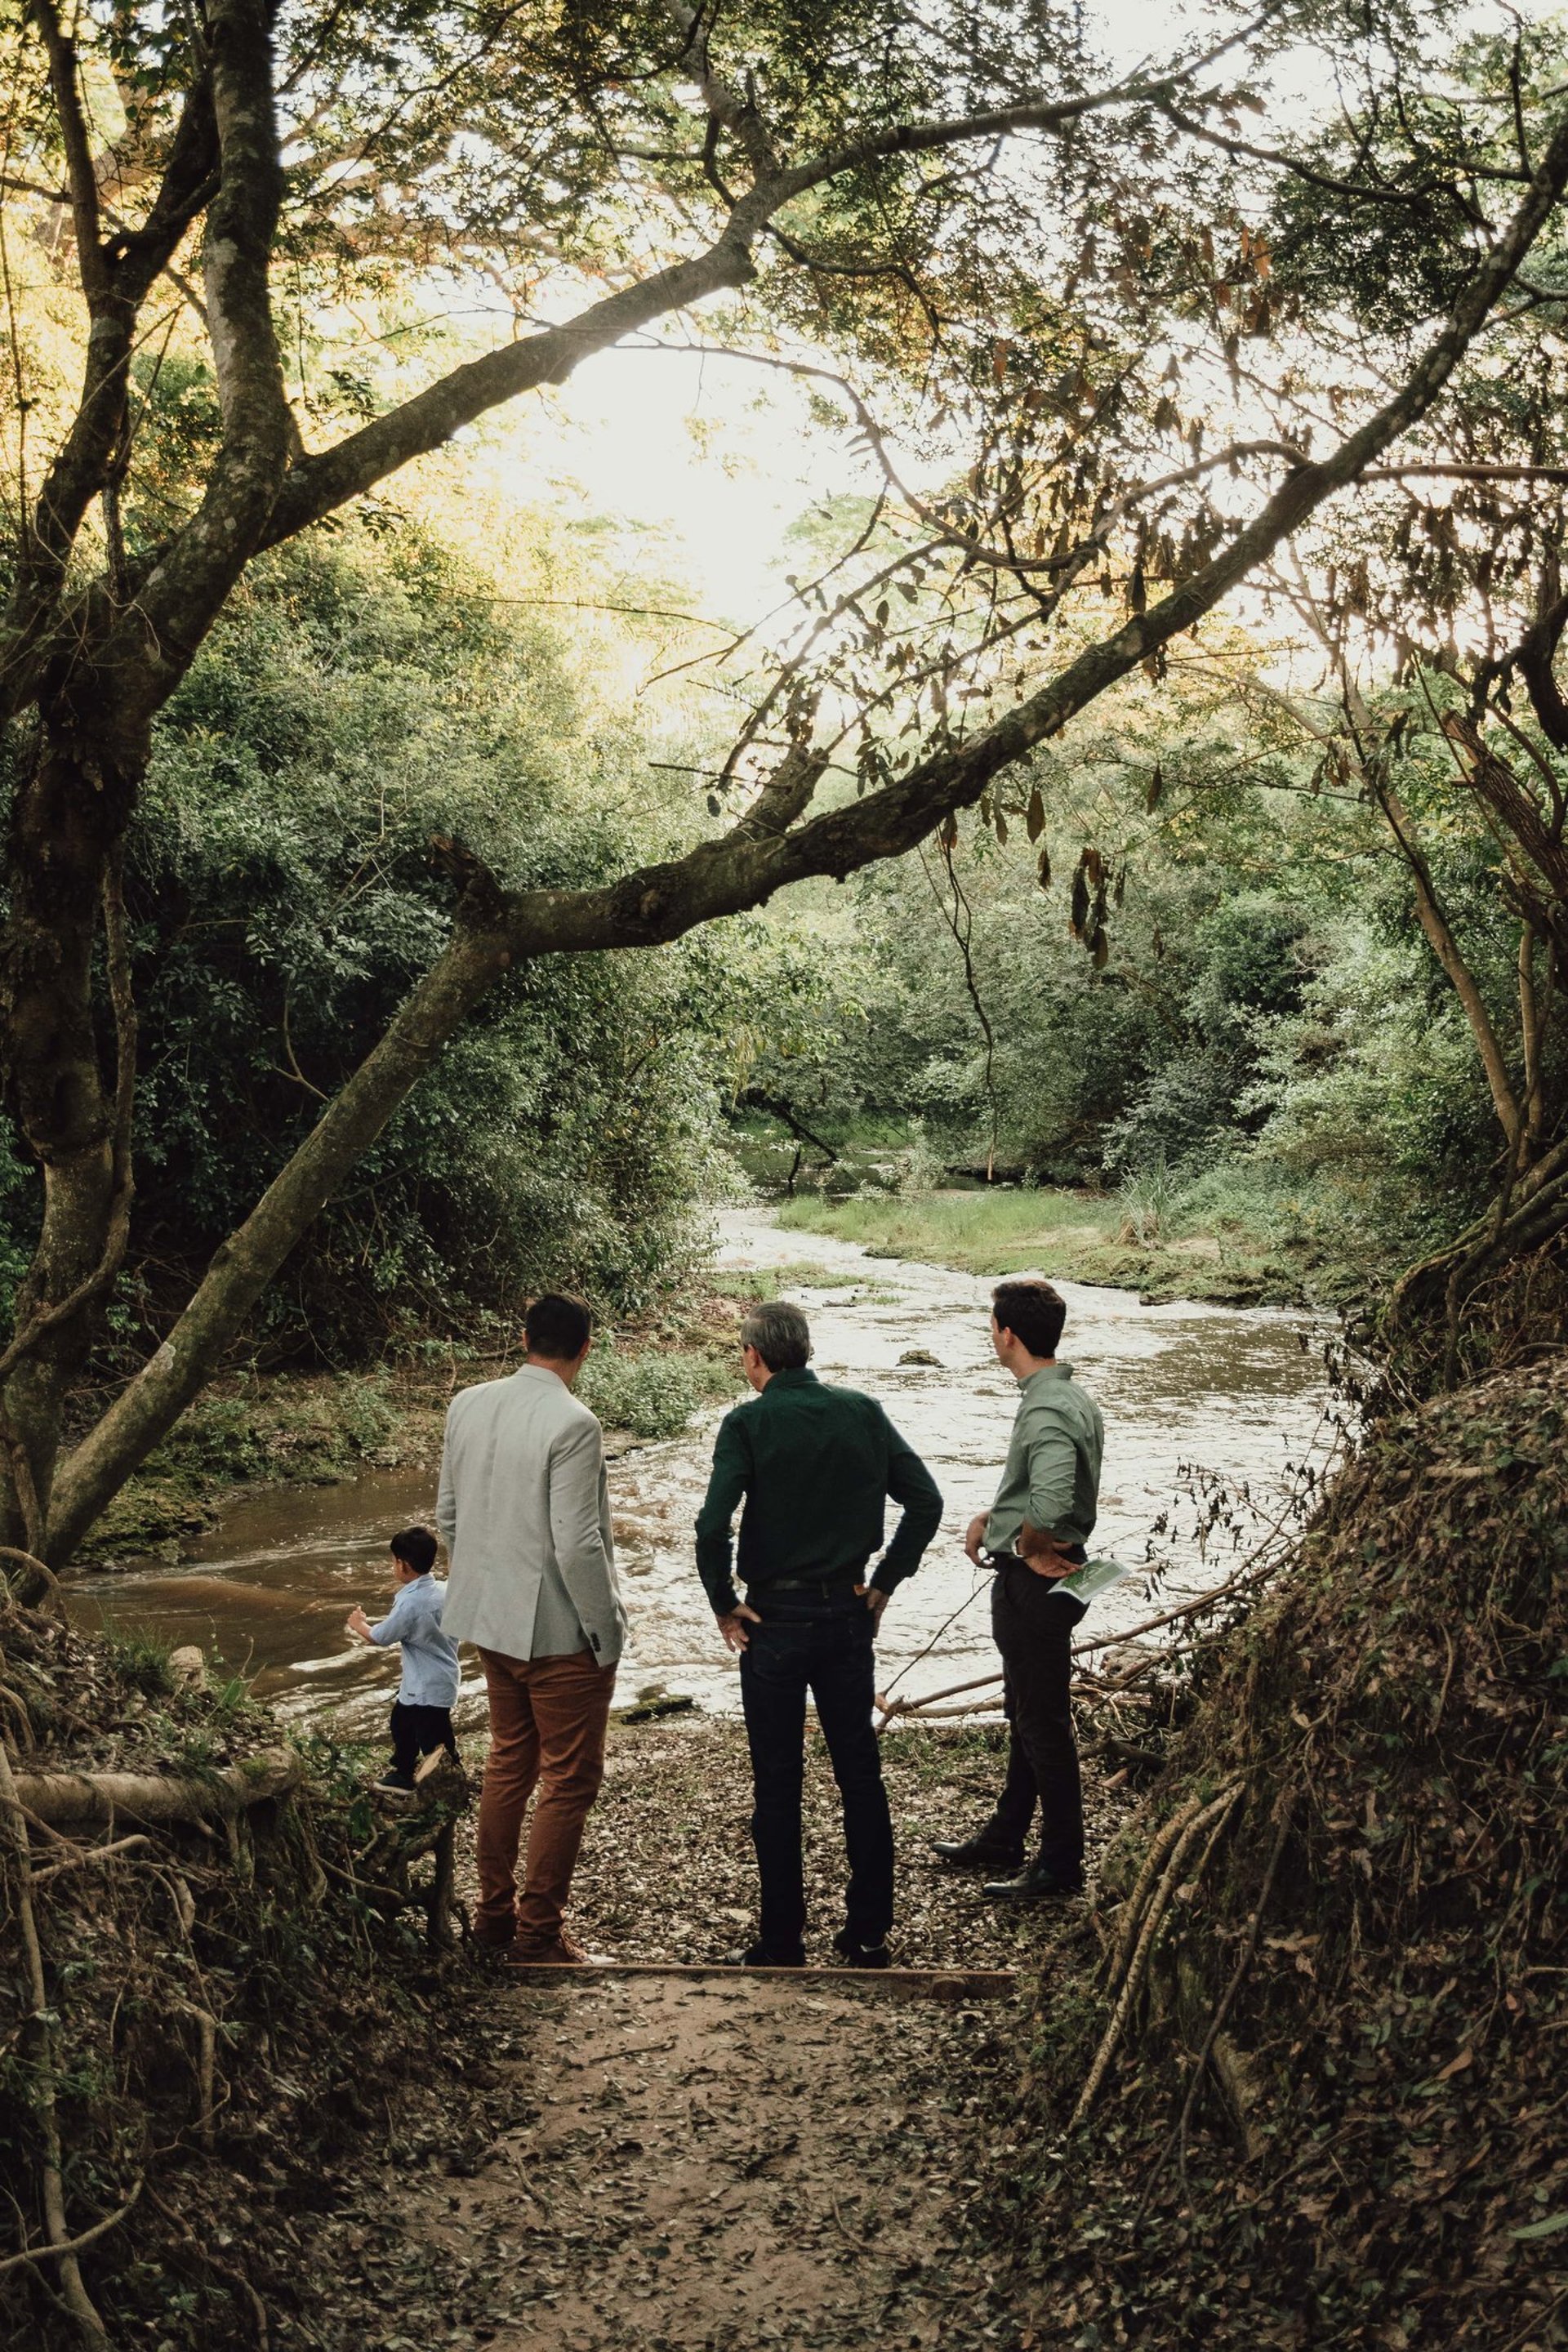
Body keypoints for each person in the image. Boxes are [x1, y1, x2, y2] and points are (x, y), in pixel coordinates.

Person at [696, 1299, 943, 1969]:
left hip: (772, 1622)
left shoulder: (746, 1423)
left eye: (743, 1354)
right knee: (858, 1773)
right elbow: (926, 1500)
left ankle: (782, 1940)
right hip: (846, 1616)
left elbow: (711, 1526)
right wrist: (887, 1579)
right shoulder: (860, 1409)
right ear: (804, 1350)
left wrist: (724, 1603)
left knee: (777, 1782)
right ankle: (867, 1936)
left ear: (754, 1357)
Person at [437, 1292, 627, 1966]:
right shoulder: (574, 1423)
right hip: (557, 1630)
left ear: (523, 1339)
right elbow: (578, 1545)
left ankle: (494, 1918)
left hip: (491, 1624)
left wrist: (482, 1593)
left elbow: (450, 1518)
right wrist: (607, 1631)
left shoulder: (467, 1403)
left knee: (510, 1761)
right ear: (585, 1349)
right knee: (570, 1778)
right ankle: (538, 1935)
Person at [930, 1277, 1103, 1900]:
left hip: (1036, 1583)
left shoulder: (1049, 1405)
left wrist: (1027, 1544)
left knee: (1042, 1722)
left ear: (1007, 1334)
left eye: (991, 1326)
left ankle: (1061, 1866)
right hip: (1050, 1573)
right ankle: (1006, 1835)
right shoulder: (1065, 1394)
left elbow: (1055, 1498)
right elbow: (1045, 1488)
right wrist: (995, 1519)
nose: (992, 1335)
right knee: (1028, 1712)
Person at [345, 1525, 460, 1791]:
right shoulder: (444, 1591)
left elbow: (382, 1636)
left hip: (424, 1687)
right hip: (439, 1679)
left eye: (393, 1562)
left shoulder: (411, 1604)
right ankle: (410, 1772)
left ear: (403, 1565)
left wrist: (359, 1624)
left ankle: (445, 1779)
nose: (393, 1567)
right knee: (407, 1724)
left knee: (431, 1737)